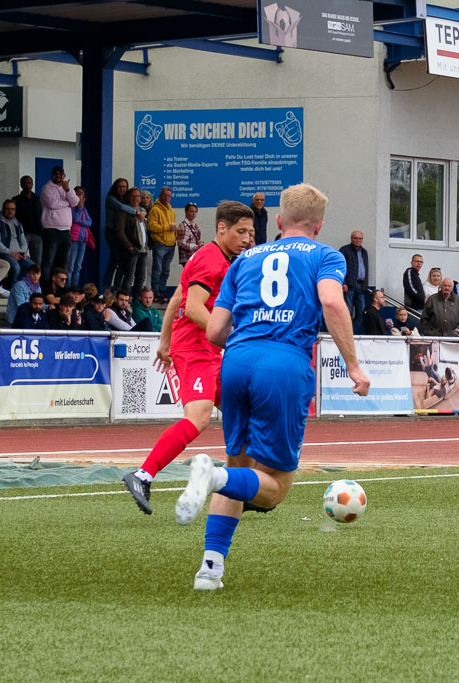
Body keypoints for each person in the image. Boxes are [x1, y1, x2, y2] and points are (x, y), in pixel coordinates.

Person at [174, 182, 369, 591]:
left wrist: (251, 342)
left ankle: (210, 569)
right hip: (282, 365)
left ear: (278, 221)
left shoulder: (246, 258)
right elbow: (332, 303)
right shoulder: (324, 255)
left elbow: (213, 330)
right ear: (318, 225)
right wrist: (353, 366)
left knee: (240, 466)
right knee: (275, 488)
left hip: (236, 363)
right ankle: (211, 477)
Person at [122, 201, 254, 515]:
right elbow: (193, 309)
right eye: (241, 231)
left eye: (251, 232)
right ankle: (142, 475)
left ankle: (243, 487)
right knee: (198, 418)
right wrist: (232, 339)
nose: (248, 238)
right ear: (222, 228)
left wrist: (164, 341)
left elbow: (179, 298)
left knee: (244, 409)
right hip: (196, 348)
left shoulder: (216, 256)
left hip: (204, 348)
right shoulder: (211, 260)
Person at [40, 166, 78, 281]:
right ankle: (46, 288)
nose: (58, 176)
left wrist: (67, 190)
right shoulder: (47, 188)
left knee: (64, 263)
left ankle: (61, 288)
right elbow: (52, 204)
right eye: (56, 174)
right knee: (49, 261)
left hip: (66, 231)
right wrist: (67, 203)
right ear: (52, 175)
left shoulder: (67, 189)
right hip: (51, 230)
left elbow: (75, 202)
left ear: (64, 175)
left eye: (60, 174)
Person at [108, 188, 147, 296]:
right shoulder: (123, 212)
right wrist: (129, 246)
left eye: (138, 196)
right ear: (128, 197)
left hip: (143, 249)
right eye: (133, 196)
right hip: (132, 250)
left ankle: (136, 302)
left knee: (141, 277)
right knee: (129, 276)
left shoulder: (143, 212)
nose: (136, 198)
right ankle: (125, 301)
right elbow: (119, 231)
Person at [0, 198, 35, 285]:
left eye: (12, 209)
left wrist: (24, 251)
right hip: (4, 253)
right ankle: (12, 288)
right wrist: (11, 253)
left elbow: (23, 240)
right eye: (8, 209)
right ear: (3, 209)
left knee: (32, 267)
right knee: (16, 267)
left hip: (19, 253)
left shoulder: (18, 224)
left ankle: (16, 285)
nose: (10, 211)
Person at [102, 177, 136, 287]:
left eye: (125, 186)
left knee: (113, 261)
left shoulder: (124, 199)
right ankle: (112, 288)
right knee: (120, 262)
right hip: (112, 233)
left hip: (122, 235)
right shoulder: (111, 198)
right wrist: (137, 212)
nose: (123, 189)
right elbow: (121, 207)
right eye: (120, 186)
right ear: (115, 187)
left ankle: (110, 288)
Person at [148, 186, 176, 301]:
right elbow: (152, 226)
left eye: (169, 195)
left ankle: (162, 293)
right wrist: (167, 227)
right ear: (160, 196)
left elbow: (172, 227)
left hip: (171, 244)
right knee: (157, 270)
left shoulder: (171, 210)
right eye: (164, 195)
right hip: (160, 243)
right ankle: (155, 293)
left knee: (166, 271)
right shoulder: (155, 210)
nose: (166, 197)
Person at [339, 230, 369, 334]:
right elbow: (340, 267)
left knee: (361, 311)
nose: (358, 240)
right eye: (356, 238)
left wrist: (365, 284)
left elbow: (366, 268)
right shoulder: (344, 250)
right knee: (348, 311)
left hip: (361, 286)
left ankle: (351, 332)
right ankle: (346, 333)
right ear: (351, 238)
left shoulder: (364, 252)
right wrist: (343, 282)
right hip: (349, 285)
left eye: (360, 238)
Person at [14, 176, 44, 265]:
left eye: (29, 183)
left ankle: (35, 279)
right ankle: (22, 278)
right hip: (23, 234)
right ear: (21, 185)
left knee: (37, 261)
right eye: (25, 183)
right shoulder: (16, 200)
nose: (27, 185)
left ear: (32, 184)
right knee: (21, 259)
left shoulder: (38, 199)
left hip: (37, 234)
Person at [67, 187, 92, 288]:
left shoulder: (83, 208)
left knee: (78, 266)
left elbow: (89, 222)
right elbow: (75, 218)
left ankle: (75, 287)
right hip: (74, 240)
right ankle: (68, 288)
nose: (79, 195)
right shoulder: (72, 207)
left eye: (81, 194)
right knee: (70, 266)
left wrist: (80, 222)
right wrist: (80, 208)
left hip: (83, 240)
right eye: (77, 193)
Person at [176, 203, 202, 268]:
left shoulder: (195, 225)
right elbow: (181, 243)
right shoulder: (183, 226)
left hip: (194, 256)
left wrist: (200, 243)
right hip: (187, 258)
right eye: (191, 211)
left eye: (195, 212)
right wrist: (196, 246)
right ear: (186, 212)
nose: (194, 214)